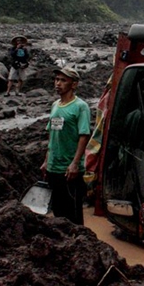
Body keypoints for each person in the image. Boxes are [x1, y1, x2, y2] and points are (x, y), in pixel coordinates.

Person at [41, 67, 91, 225]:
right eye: (56, 80)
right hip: (53, 167)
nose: (58, 84)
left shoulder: (80, 107)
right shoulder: (55, 105)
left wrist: (75, 163)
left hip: (69, 170)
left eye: (63, 80)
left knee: (73, 213)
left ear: (74, 84)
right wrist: (46, 160)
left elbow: (84, 136)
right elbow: (52, 135)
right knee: (57, 210)